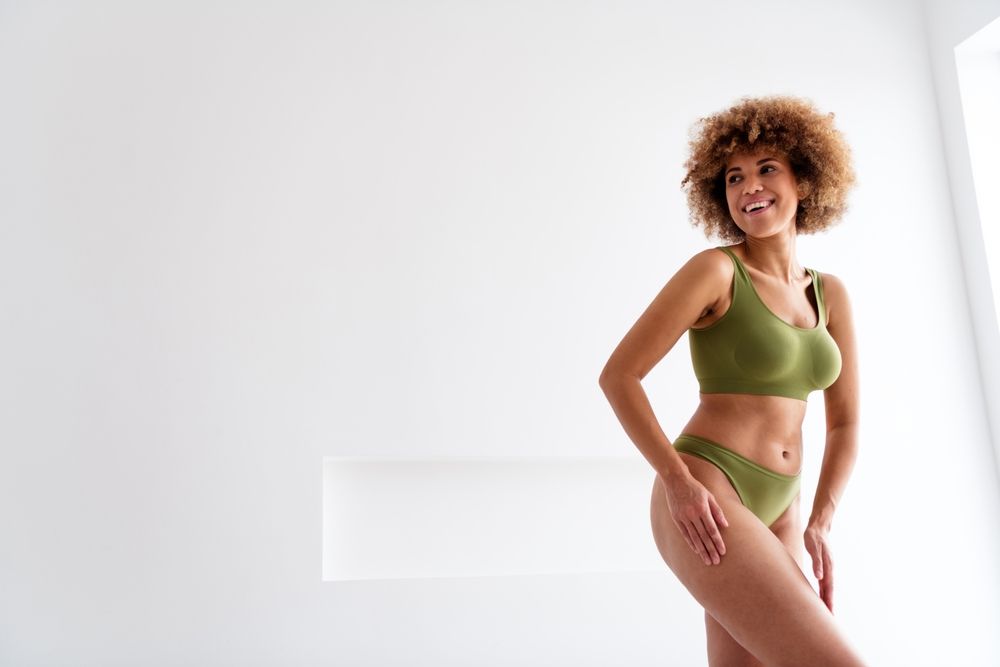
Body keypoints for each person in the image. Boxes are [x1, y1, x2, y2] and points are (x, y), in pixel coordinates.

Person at [598, 95, 867, 666]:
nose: (750, 187)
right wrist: (676, 481)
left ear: (805, 179)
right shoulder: (716, 271)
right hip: (709, 492)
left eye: (767, 169)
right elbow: (620, 376)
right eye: (734, 177)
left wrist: (820, 519)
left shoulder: (831, 293)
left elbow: (844, 422)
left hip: (783, 508)